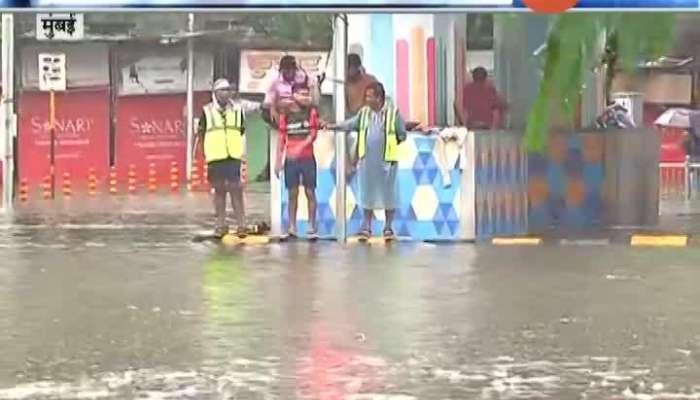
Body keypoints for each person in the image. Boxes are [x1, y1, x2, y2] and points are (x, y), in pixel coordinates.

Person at [326, 82, 407, 241]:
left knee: (389, 194)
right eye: (366, 96)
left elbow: (402, 134)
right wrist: (333, 126)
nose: (367, 99)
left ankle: (388, 228)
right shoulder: (364, 113)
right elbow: (350, 124)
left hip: (387, 162)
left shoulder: (393, 113)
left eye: (370, 96)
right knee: (367, 193)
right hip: (367, 160)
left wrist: (388, 144)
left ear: (379, 98)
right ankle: (367, 227)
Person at [193, 78, 255, 238]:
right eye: (223, 90)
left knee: (236, 190)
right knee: (219, 191)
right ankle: (220, 224)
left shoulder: (237, 110)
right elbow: (201, 135)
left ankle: (241, 224)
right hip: (215, 157)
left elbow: (241, 132)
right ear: (215, 93)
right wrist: (203, 155)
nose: (226, 93)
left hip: (233, 156)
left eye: (228, 90)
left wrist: (243, 153)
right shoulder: (207, 111)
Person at [257, 55, 320, 182]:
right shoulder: (275, 81)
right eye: (286, 70)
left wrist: (310, 91)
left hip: (302, 112)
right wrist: (274, 107)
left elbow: (313, 99)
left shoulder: (304, 77)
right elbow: (267, 102)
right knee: (275, 127)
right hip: (282, 113)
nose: (289, 73)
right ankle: (272, 165)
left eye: (291, 69)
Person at [274, 83, 319, 239]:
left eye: (307, 94)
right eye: (302, 94)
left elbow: (313, 135)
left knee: (310, 192)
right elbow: (281, 138)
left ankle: (312, 226)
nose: (305, 97)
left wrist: (300, 147)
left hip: (307, 158)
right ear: (293, 95)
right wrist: (278, 160)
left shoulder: (312, 112)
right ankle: (292, 227)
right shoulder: (285, 114)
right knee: (292, 193)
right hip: (291, 160)